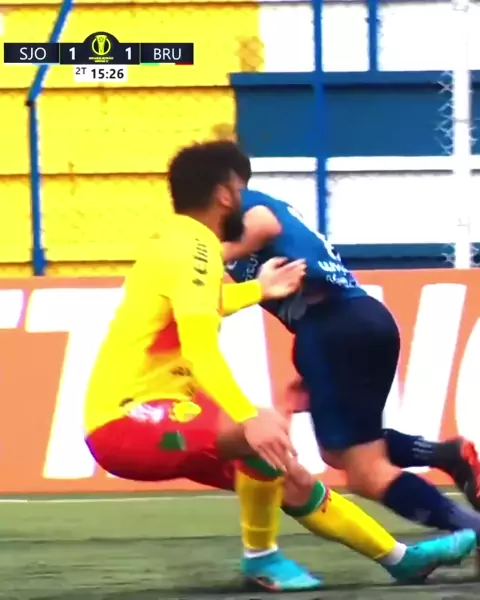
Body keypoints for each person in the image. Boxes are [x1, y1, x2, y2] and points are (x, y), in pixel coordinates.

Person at [83, 141, 476, 592]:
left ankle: (400, 559)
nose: (245, 196)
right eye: (241, 187)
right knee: (264, 435)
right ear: (226, 194)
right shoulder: (194, 248)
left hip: (162, 412)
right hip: (126, 418)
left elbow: (200, 303)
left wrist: (259, 289)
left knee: (290, 475)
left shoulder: (178, 244)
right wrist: (247, 416)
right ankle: (262, 559)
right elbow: (199, 347)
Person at [220, 144, 480, 542]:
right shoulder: (258, 217)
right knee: (340, 452)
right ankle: (445, 455)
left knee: (365, 472)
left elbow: (263, 224)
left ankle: (472, 528)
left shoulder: (249, 209)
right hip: (358, 319)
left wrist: (212, 254)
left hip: (334, 329)